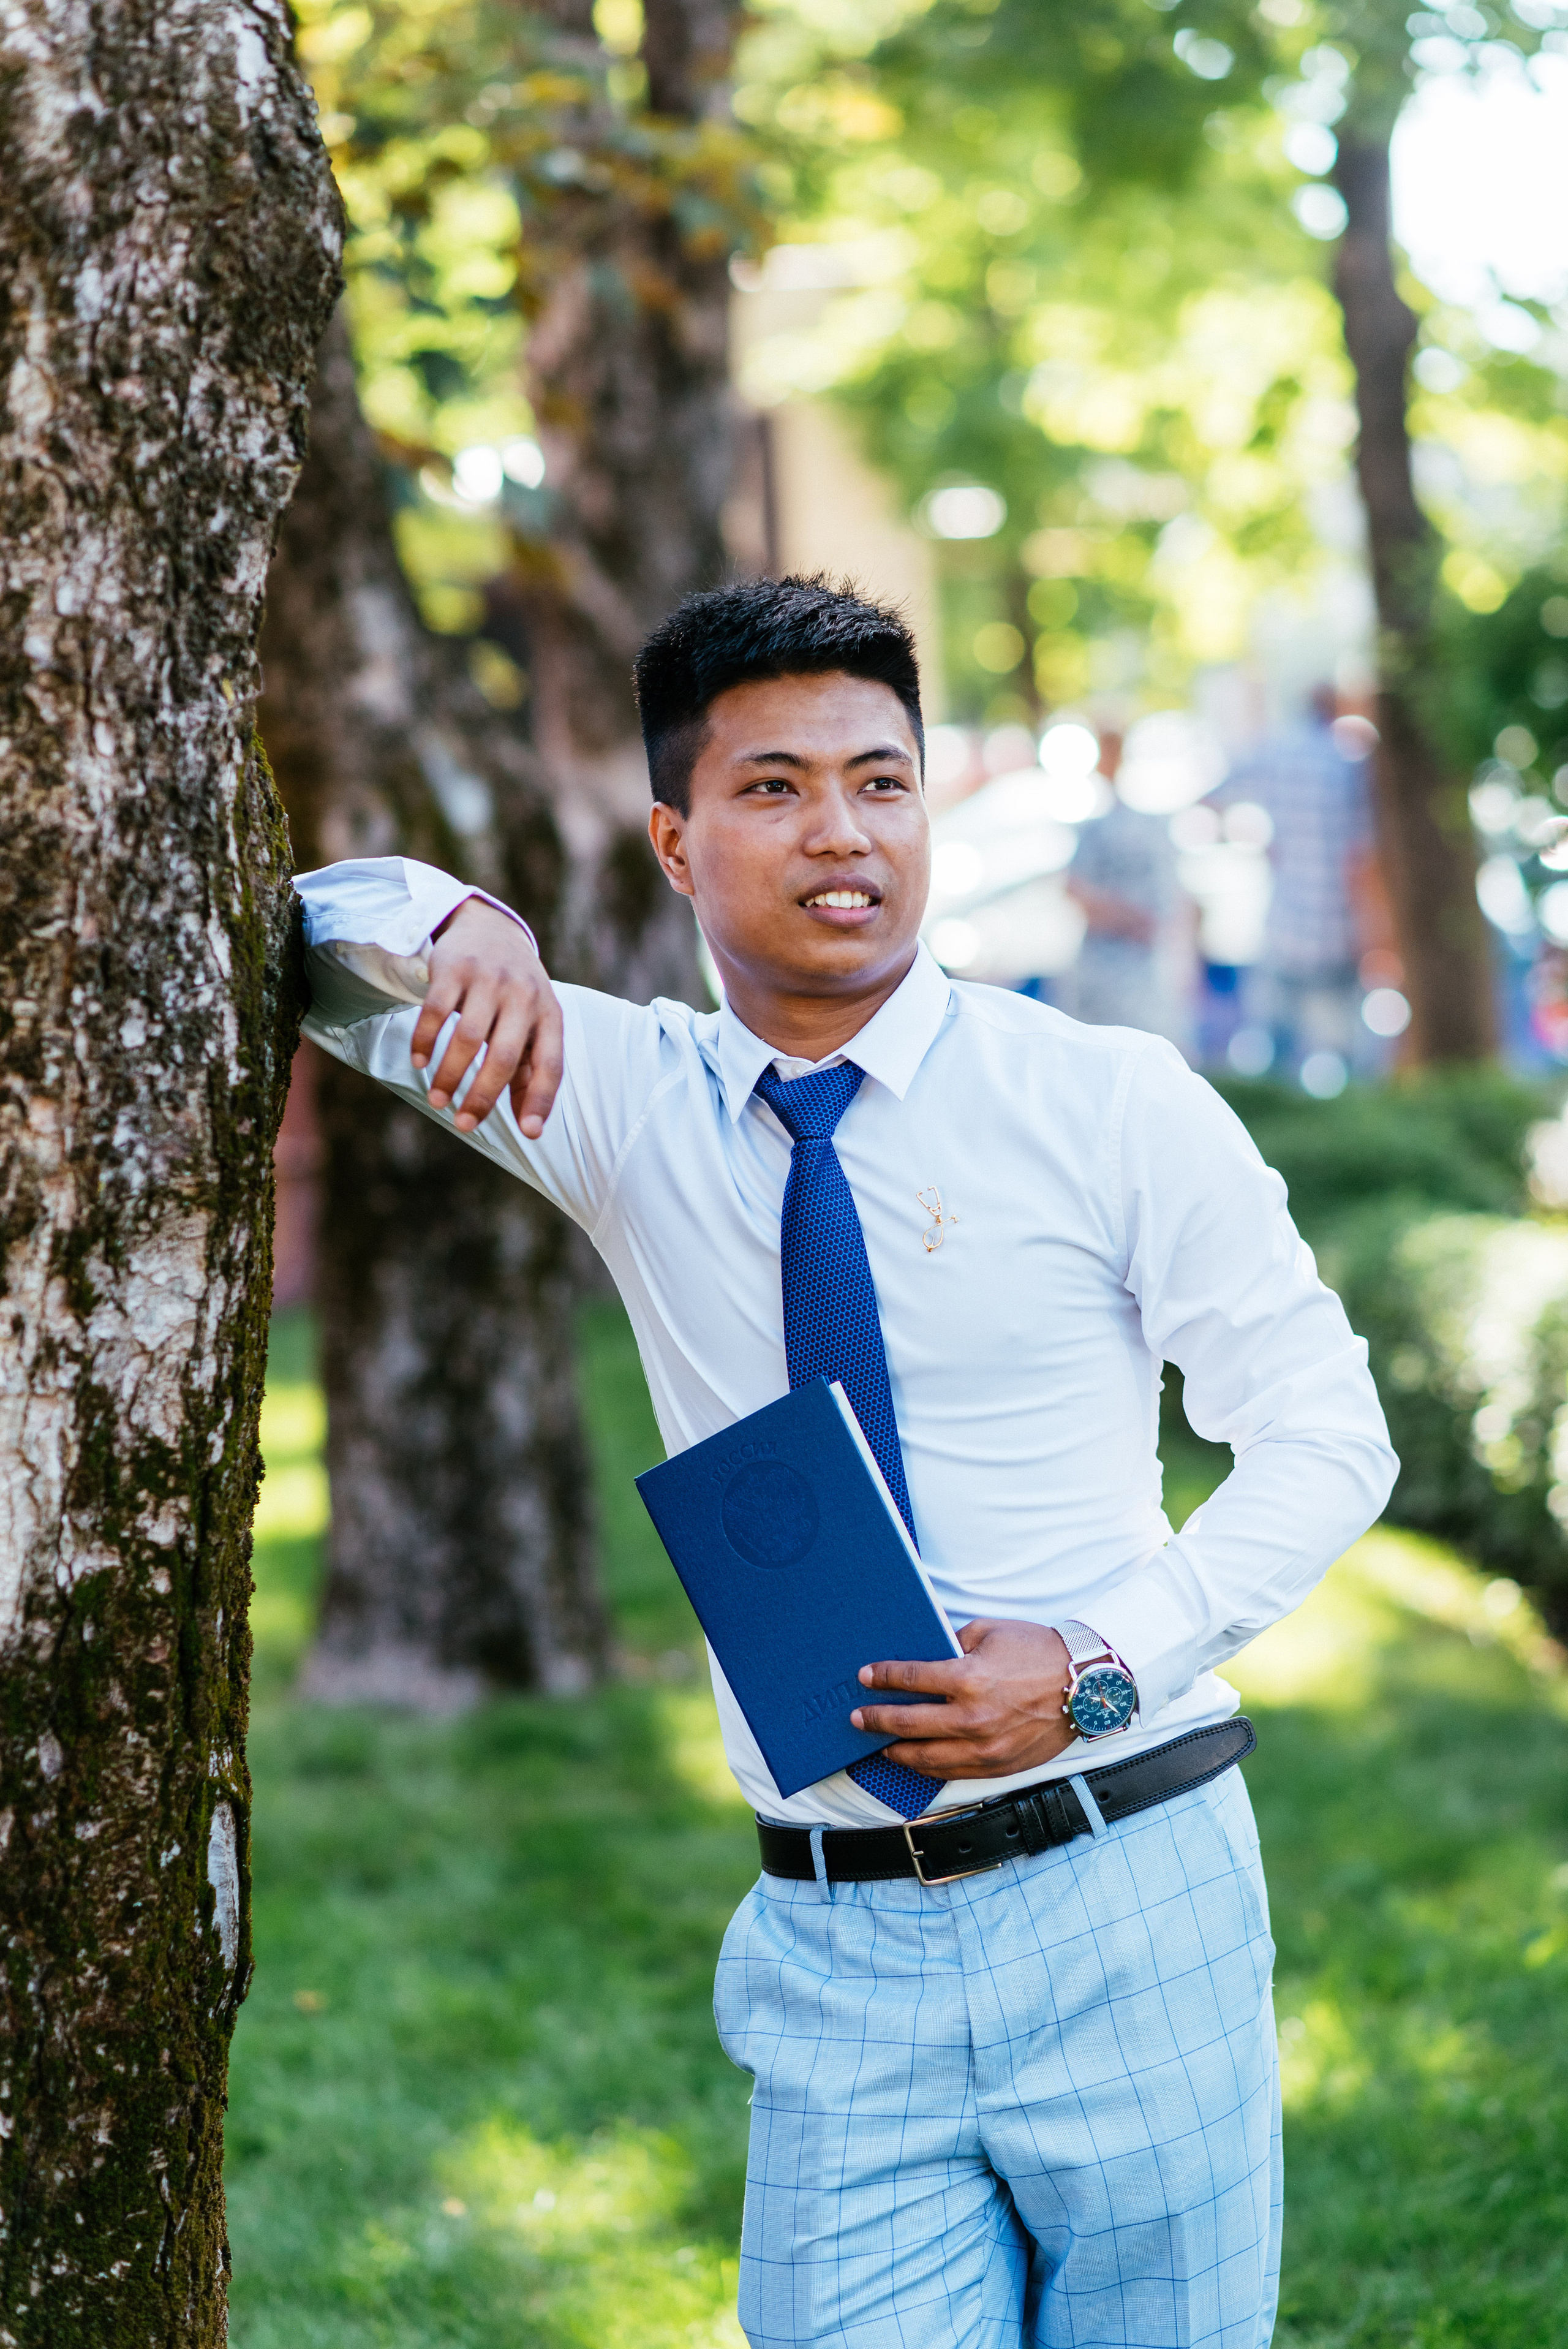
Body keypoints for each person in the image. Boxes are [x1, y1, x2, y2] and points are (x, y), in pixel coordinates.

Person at [296, 576, 1396, 2349]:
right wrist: (462, 915)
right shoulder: (620, 1102)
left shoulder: (1106, 1098)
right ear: (675, 841)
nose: (842, 832)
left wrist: (1098, 1660)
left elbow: (1329, 1431)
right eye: (775, 786)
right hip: (833, 1943)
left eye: (881, 781)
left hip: (1131, 1886)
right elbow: (306, 940)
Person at [1218, 687, 1379, 1080]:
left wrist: (1258, 843)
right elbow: (1360, 861)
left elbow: (1213, 798)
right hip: (1336, 930)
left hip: (1284, 926)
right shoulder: (1349, 767)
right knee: (1342, 1059)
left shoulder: (1275, 755)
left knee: (1275, 1055)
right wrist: (1374, 933)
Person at [1063, 729, 1192, 1048]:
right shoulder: (1098, 824)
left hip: (1141, 967)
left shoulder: (1144, 821)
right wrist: (1133, 919)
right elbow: (1077, 893)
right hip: (1111, 967)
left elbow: (1177, 899)